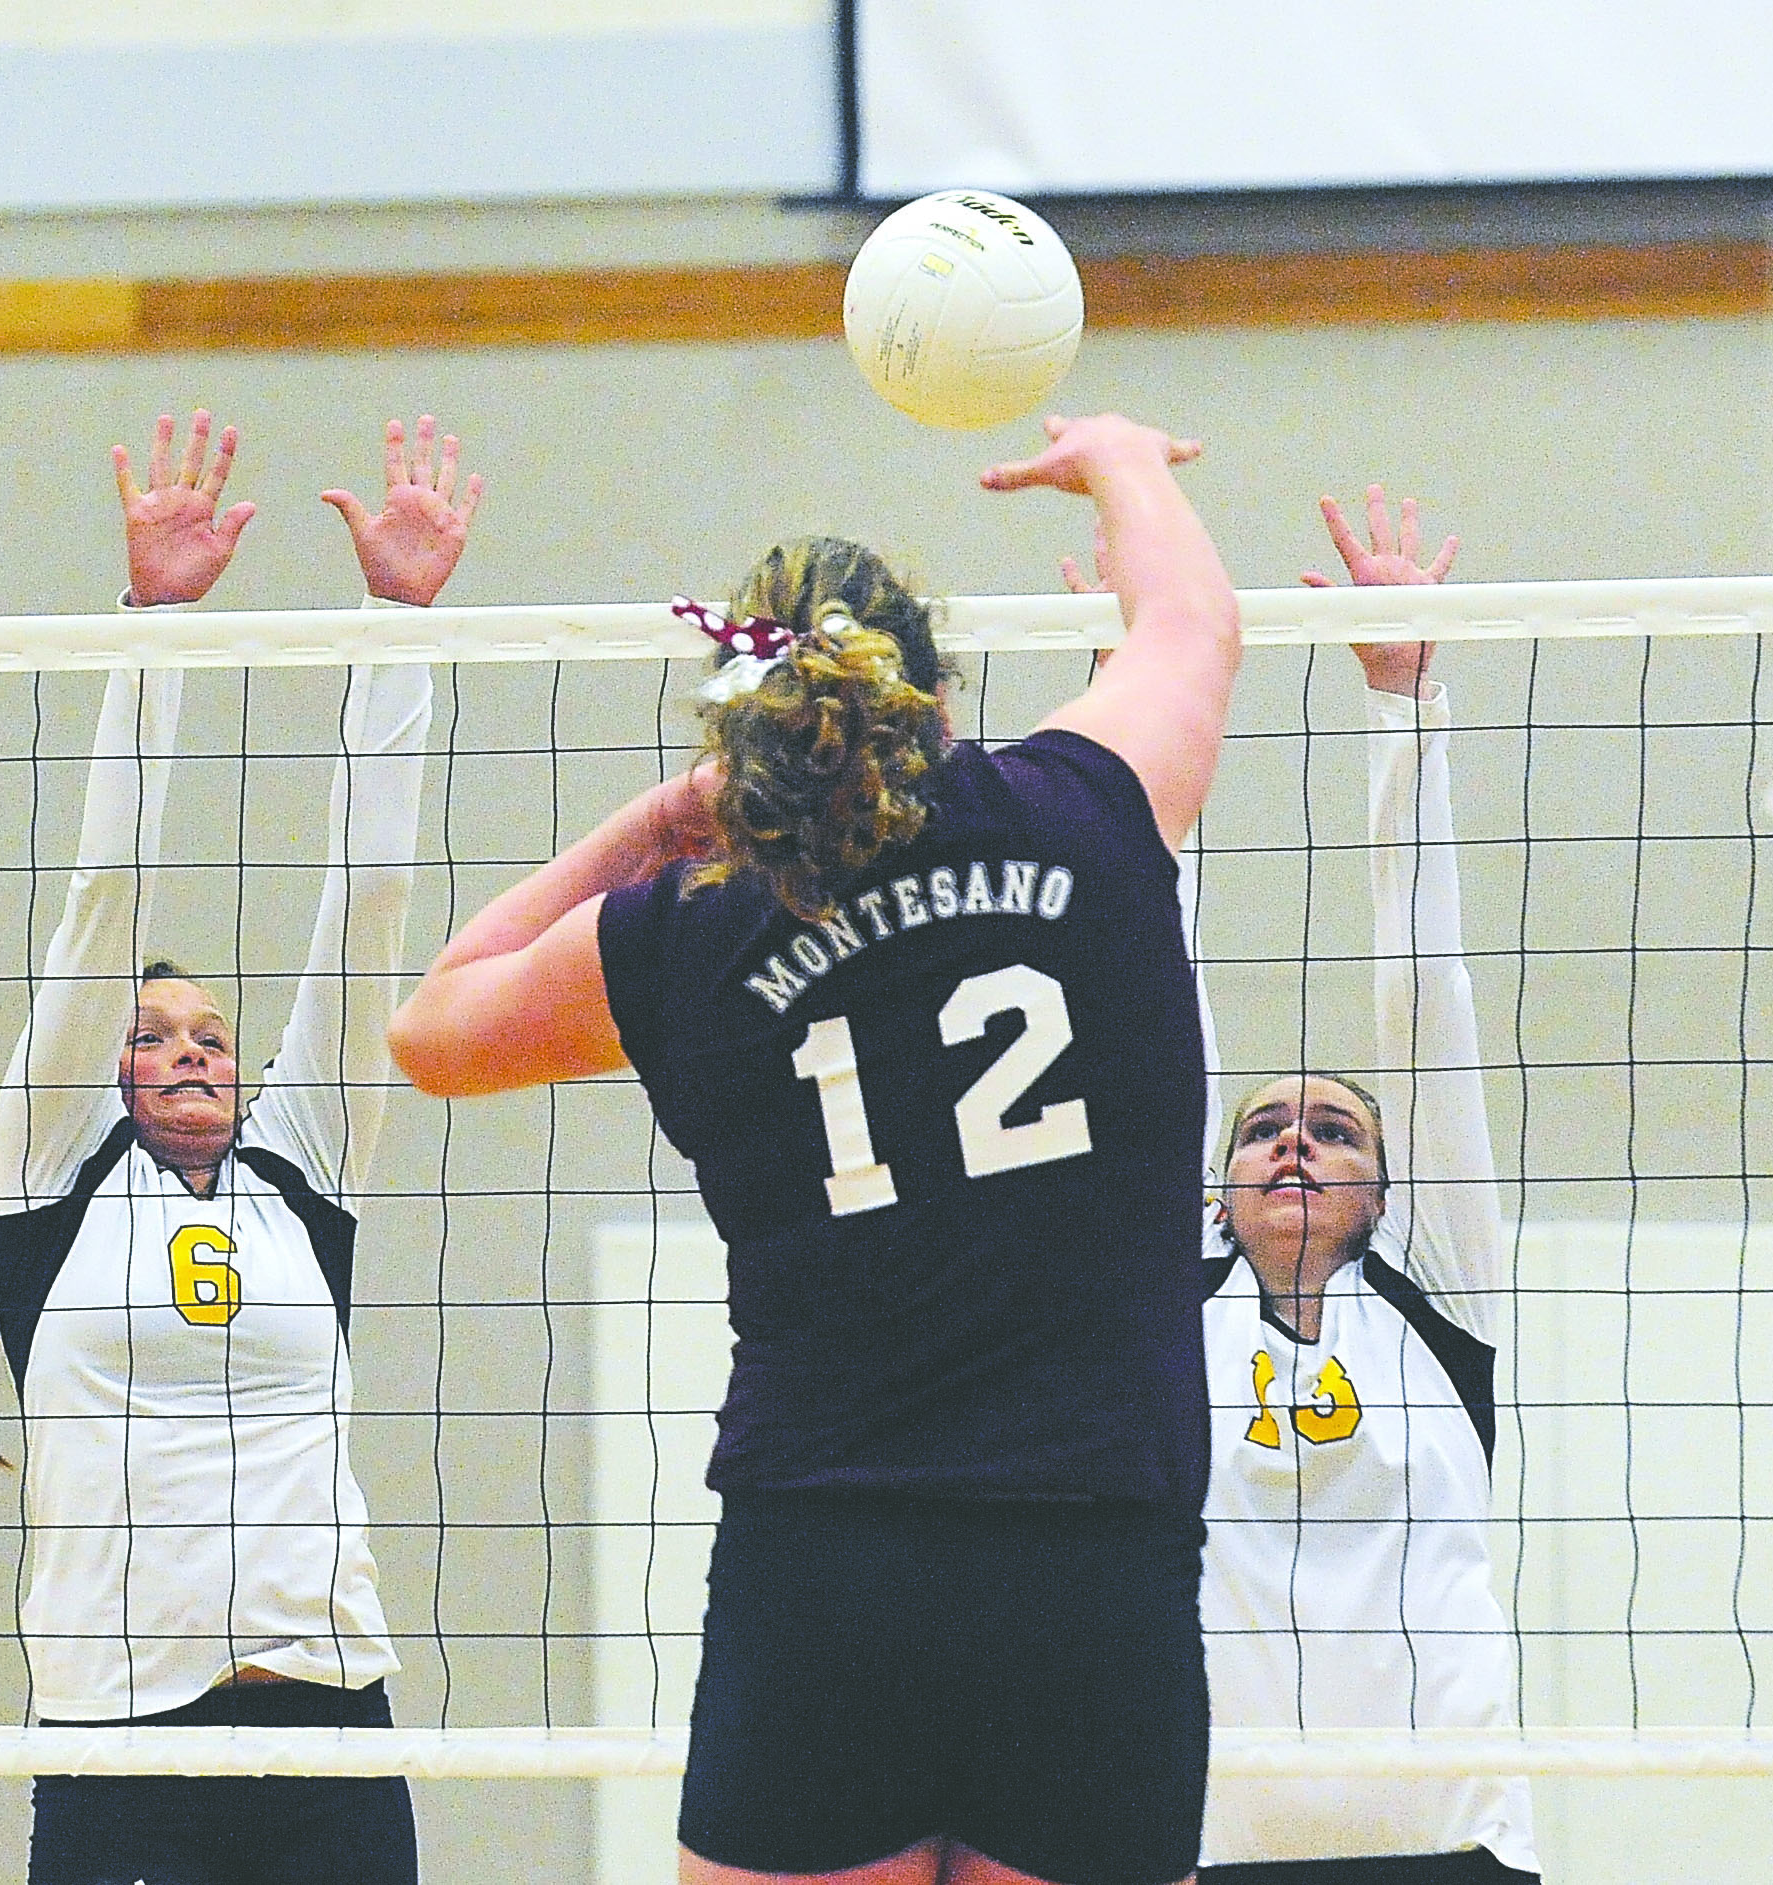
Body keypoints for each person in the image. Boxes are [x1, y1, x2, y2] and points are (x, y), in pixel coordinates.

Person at [389, 413, 1240, 1885]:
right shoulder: (1087, 802)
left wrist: (648, 833)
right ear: (937, 690)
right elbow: (1190, 616)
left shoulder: (684, 937)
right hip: (1092, 1553)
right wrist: (1119, 461)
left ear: (738, 730)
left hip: (828, 1560)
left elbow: (430, 1031)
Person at [0, 409, 482, 1885]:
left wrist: (395, 629)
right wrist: (156, 626)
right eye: (152, 1034)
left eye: (210, 1029)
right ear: (99, 1069)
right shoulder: (52, 1184)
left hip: (329, 1730)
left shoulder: (303, 1168)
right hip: (121, 1750)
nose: (192, 1046)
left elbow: (371, 906)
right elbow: (108, 892)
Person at [1182, 489, 1540, 1884]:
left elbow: (1425, 1005)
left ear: (1389, 1192)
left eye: (1333, 1130)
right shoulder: (1164, 1306)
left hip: (1448, 1850)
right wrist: (1140, 763)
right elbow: (1156, 1008)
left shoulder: (1439, 1301)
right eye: (1264, 1127)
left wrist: (1405, 707)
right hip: (1206, 1850)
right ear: (1211, 1195)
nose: (1291, 1141)